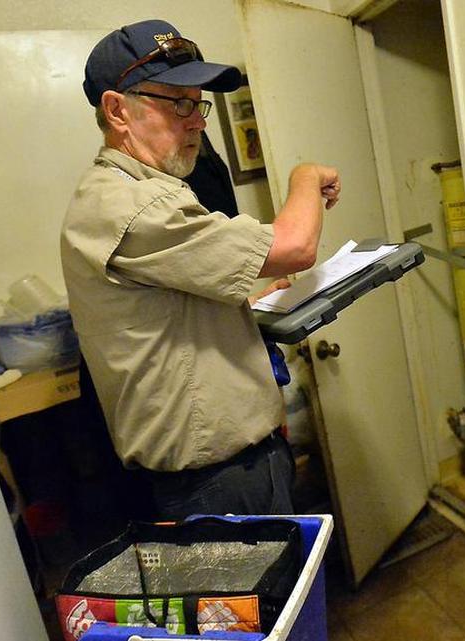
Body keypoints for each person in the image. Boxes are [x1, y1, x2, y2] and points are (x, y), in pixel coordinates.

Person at [61, 19, 340, 521]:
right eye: (179, 103)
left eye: (199, 104)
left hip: (233, 470)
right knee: (268, 600)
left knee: (280, 595)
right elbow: (296, 245)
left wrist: (245, 308)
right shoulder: (133, 205)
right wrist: (305, 174)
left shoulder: (144, 190)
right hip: (214, 483)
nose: (197, 121)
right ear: (117, 109)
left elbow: (165, 321)